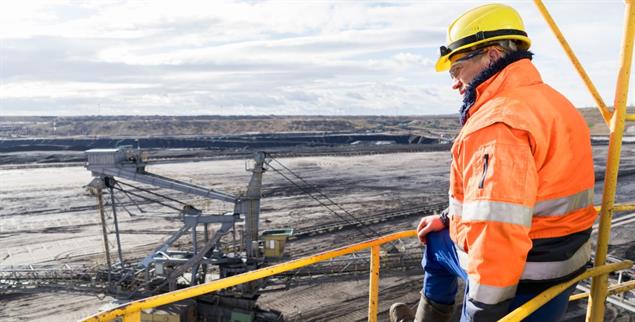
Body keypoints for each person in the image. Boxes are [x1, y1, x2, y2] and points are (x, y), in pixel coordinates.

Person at [389, 3, 597, 322]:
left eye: (457, 68)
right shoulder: (555, 103)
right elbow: (524, 195)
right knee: (437, 234)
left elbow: (497, 230)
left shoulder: (497, 124)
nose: (454, 83)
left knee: (435, 246)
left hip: (525, 275)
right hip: (565, 261)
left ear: (491, 55)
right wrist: (448, 218)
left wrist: (483, 310)